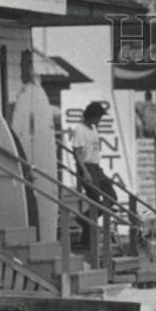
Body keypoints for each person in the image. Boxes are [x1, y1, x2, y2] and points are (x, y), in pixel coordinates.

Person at [71, 102, 118, 247]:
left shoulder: (93, 128)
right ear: (91, 116)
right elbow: (77, 153)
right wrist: (84, 172)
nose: (99, 121)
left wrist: (98, 171)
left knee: (112, 197)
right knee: (95, 202)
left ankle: (83, 220)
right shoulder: (79, 130)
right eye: (98, 117)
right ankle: (87, 240)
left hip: (96, 167)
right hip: (86, 167)